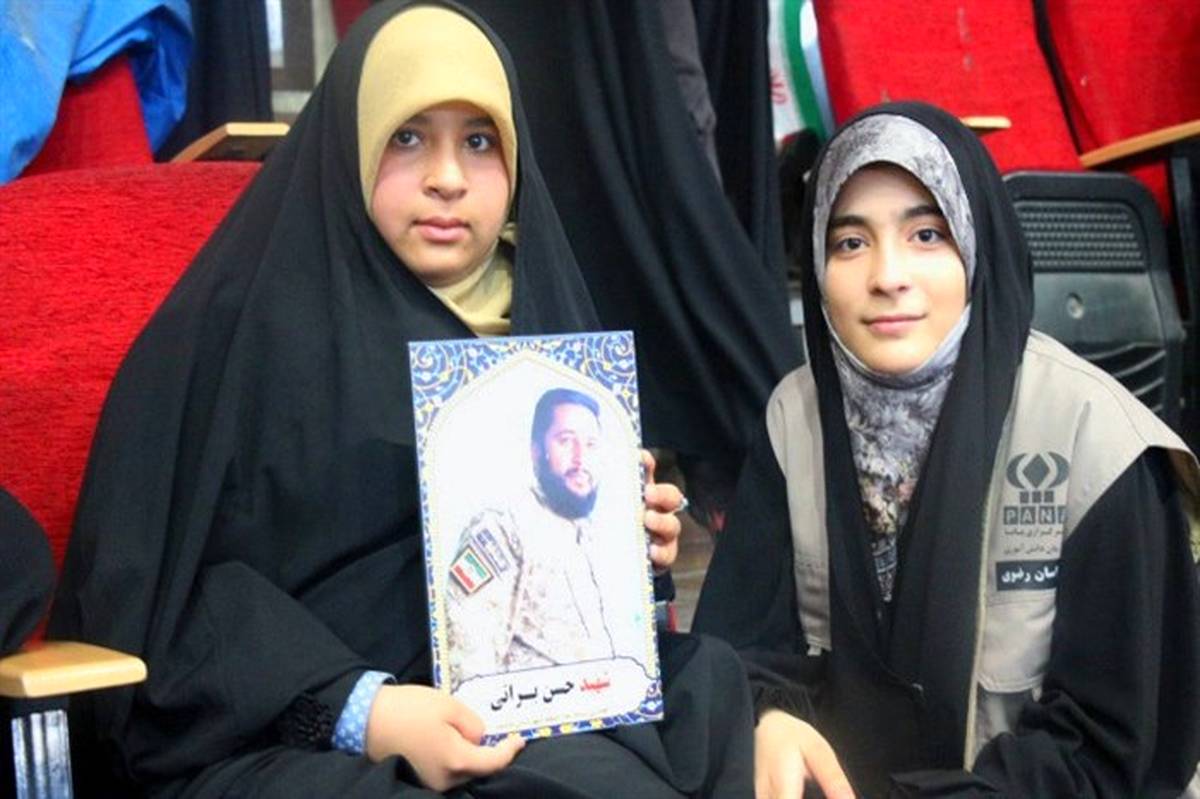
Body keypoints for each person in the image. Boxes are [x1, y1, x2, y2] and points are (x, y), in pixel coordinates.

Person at [48, 3, 755, 796]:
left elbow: (566, 604)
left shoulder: (548, 319)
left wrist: (627, 548)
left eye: (479, 141)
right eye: (409, 137)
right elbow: (156, 599)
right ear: (351, 140)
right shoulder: (238, 334)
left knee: (714, 689)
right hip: (300, 736)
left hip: (524, 707)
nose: (447, 177)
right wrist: (364, 708)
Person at [694, 102, 1200, 798]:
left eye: (927, 234)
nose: (888, 275)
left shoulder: (1098, 444)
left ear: (977, 244)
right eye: (850, 242)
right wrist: (765, 714)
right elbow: (738, 645)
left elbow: (1116, 750)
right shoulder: (794, 420)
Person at [446, 387, 645, 689]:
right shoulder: (500, 528)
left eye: (590, 444)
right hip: (534, 713)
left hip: (607, 698)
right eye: (565, 441)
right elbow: (467, 656)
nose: (580, 459)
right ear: (536, 451)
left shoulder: (601, 535)